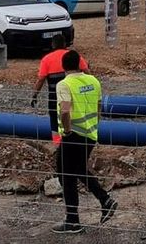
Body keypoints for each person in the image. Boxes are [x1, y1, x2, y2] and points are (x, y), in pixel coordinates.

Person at [53, 50, 117, 234]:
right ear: (80, 64)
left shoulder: (64, 84)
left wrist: (66, 130)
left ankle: (73, 221)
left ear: (63, 66)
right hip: (90, 134)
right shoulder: (93, 81)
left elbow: (65, 111)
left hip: (73, 134)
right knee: (79, 169)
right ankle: (105, 200)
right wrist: (94, 127)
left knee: (66, 175)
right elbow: (98, 108)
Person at [31, 35, 89, 145]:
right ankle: (77, 141)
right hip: (75, 95)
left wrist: (34, 95)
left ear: (53, 45)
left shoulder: (47, 59)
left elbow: (41, 80)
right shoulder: (74, 57)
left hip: (54, 97)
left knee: (54, 120)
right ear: (65, 44)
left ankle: (57, 144)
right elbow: (87, 73)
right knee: (76, 116)